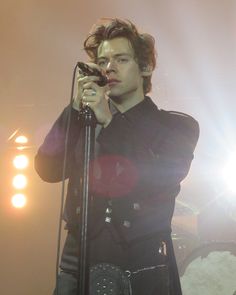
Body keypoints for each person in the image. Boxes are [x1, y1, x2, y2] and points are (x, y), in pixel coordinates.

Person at [35, 18, 199, 295]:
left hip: (143, 267)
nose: (109, 67)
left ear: (145, 67)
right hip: (77, 267)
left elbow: (155, 178)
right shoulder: (85, 122)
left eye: (121, 59)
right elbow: (48, 169)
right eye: (103, 61)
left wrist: (110, 123)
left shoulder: (176, 127)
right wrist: (75, 110)